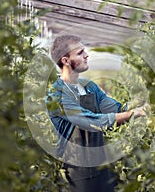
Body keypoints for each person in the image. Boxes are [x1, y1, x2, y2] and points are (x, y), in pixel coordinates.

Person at [46, 35, 146, 192]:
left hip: (102, 166)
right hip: (77, 172)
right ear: (65, 60)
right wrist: (130, 114)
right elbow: (88, 120)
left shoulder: (89, 86)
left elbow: (115, 108)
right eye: (80, 52)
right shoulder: (56, 94)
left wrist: (139, 103)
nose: (86, 55)